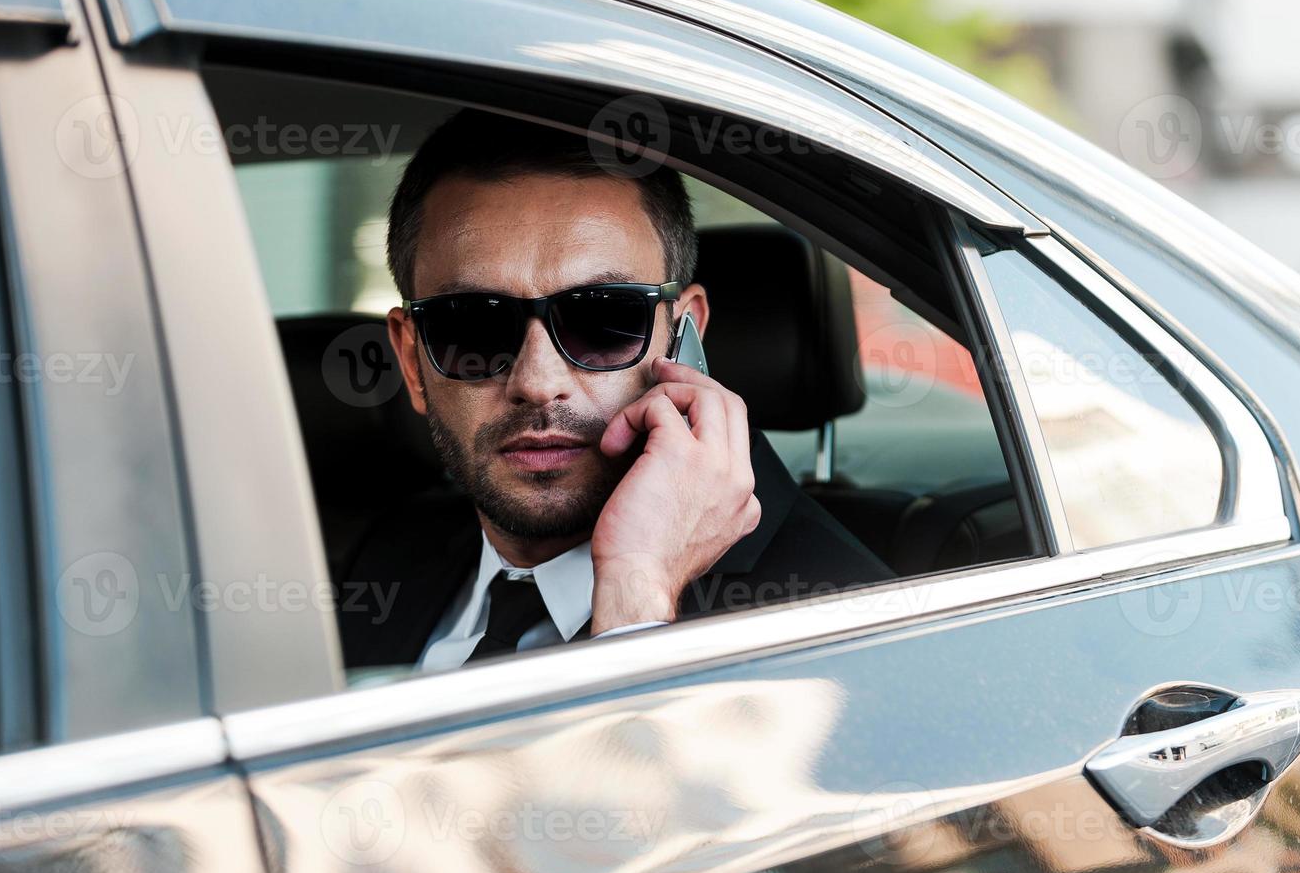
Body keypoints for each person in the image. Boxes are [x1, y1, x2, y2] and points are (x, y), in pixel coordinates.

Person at [336, 110, 891, 671]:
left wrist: (638, 594)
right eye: (471, 326)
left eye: (602, 321)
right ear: (412, 361)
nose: (537, 383)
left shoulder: (848, 624)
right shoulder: (381, 560)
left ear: (683, 337)